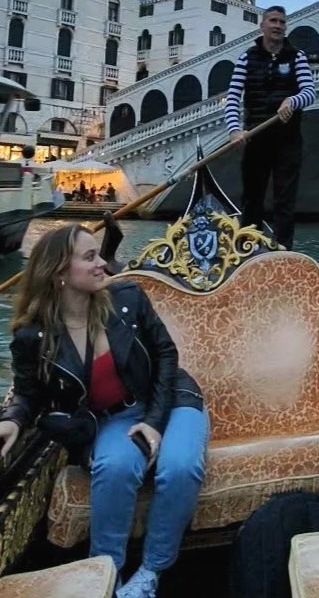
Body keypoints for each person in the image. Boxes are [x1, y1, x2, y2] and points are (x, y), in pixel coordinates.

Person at [0, 224, 209, 598]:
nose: (102, 265)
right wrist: (13, 420)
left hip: (172, 400)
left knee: (180, 466)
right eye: (90, 257)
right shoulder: (33, 336)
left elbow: (166, 355)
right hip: (113, 417)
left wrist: (153, 423)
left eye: (99, 254)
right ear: (60, 272)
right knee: (113, 468)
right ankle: (104, 574)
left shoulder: (127, 298)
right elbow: (29, 394)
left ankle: (151, 570)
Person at [224, 5, 316, 250]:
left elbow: (310, 92)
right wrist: (234, 130)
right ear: (262, 25)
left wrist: (292, 100)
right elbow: (233, 96)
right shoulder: (247, 57)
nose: (277, 25)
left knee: (285, 200)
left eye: (282, 22)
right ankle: (247, 251)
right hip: (255, 136)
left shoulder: (297, 56)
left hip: (288, 139)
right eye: (273, 21)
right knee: (252, 199)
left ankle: (284, 251)